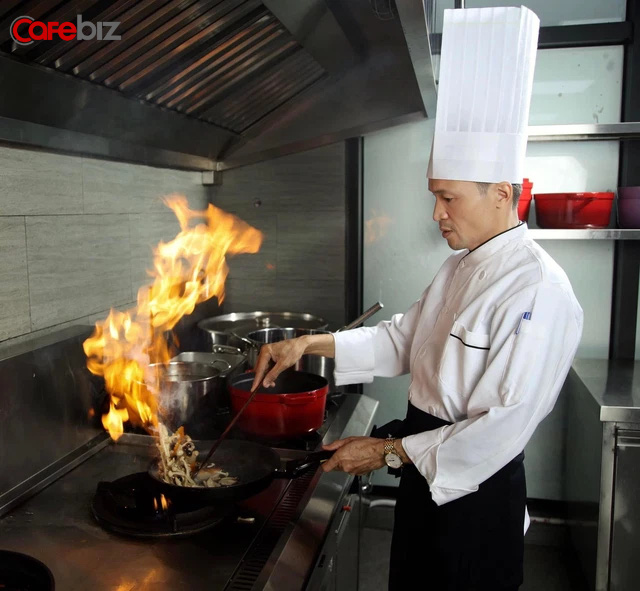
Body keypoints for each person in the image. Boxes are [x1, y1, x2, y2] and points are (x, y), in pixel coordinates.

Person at [251, 7, 584, 590]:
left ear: (501, 194)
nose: (437, 215)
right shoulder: (460, 267)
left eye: (449, 199)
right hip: (420, 468)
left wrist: (385, 454)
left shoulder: (541, 291)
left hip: (473, 491)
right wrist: (308, 344)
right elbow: (405, 337)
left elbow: (498, 430)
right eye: (436, 197)